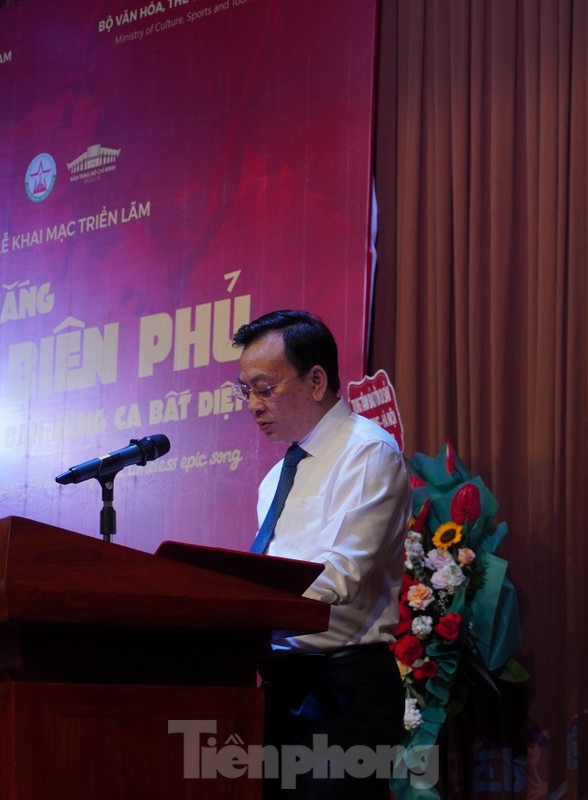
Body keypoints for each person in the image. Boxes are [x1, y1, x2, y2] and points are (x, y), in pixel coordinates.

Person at [231, 309, 412, 799]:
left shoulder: (368, 452)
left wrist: (241, 600)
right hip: (280, 683)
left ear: (316, 380)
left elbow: (339, 578)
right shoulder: (275, 479)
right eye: (244, 391)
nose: (252, 404)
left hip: (344, 687)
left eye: (264, 388)